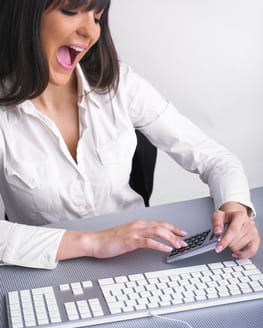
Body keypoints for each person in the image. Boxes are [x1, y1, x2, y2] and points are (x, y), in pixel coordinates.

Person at [0, 0, 260, 269]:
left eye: (97, 18)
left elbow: (215, 159)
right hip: (50, 267)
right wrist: (94, 242)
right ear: (25, 16)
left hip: (139, 258)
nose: (90, 32)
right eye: (71, 12)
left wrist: (236, 208)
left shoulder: (120, 85)